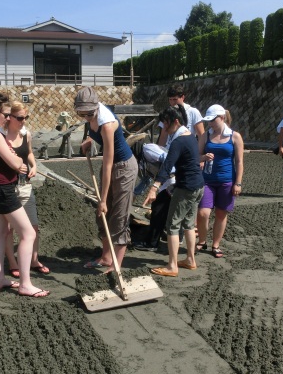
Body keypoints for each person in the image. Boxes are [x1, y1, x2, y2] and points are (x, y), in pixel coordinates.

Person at [0, 93, 50, 297]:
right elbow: (15, 163)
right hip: (1, 188)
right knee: (28, 233)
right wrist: (19, 162)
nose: (8, 119)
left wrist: (19, 160)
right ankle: (25, 284)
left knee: (0, 233)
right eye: (6, 114)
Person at [75, 87, 138, 271]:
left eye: (88, 113)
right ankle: (106, 258)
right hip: (111, 167)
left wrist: (103, 200)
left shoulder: (107, 124)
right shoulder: (92, 116)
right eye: (82, 113)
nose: (86, 117)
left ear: (96, 108)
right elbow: (93, 131)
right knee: (103, 214)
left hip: (124, 167)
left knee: (118, 215)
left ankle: (115, 267)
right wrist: (89, 139)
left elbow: (109, 163)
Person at [144, 105, 204, 276]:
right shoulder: (190, 136)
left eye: (166, 124)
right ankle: (190, 260)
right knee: (188, 224)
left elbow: (166, 166)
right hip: (199, 185)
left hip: (186, 188)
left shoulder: (178, 141)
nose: (165, 129)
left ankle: (172, 266)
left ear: (176, 122)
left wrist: (154, 188)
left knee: (172, 225)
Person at [3, 101, 50, 277]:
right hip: (8, 187)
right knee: (8, 228)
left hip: (25, 186)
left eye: (26, 117)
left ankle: (34, 259)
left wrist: (34, 166)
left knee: (33, 226)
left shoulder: (25, 135)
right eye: (20, 118)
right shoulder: (1, 136)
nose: (23, 121)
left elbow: (29, 152)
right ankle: (12, 262)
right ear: (10, 117)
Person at [197, 104, 244, 258]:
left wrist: (238, 183)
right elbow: (196, 156)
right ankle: (202, 240)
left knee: (221, 213)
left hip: (226, 180)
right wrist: (203, 158)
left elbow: (239, 162)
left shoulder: (234, 136)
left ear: (222, 118)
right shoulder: (205, 135)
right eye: (208, 120)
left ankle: (215, 244)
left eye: (212, 120)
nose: (209, 123)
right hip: (207, 180)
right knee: (203, 213)